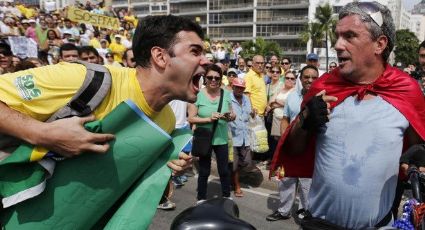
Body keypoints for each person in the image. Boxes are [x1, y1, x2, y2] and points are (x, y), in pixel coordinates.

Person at [0, 14, 208, 207]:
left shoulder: (167, 121)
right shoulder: (82, 79)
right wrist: (42, 134)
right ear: (160, 56)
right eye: (195, 51)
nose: (206, 61)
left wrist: (163, 173)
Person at [270, 2, 425, 228]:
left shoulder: (406, 91)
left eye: (350, 36)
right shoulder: (324, 87)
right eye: (338, 35)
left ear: (380, 44)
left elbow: (416, 152)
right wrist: (305, 119)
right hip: (319, 225)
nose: (337, 45)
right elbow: (294, 149)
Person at [267, 65, 318, 221]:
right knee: (286, 179)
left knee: (306, 182)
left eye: (314, 77)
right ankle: (283, 211)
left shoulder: (320, 98)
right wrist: (285, 139)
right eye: (306, 77)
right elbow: (285, 119)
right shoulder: (292, 97)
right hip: (291, 145)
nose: (310, 80)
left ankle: (305, 212)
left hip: (311, 148)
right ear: (300, 79)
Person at [188, 64, 236, 204]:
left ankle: (226, 195)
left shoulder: (226, 94)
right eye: (210, 77)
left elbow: (232, 113)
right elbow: (191, 118)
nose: (213, 80)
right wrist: (208, 119)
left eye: (217, 77)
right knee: (204, 171)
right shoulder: (198, 94)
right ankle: (201, 198)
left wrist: (230, 116)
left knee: (224, 170)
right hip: (204, 138)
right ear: (205, 78)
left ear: (221, 79)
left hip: (221, 138)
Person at [228, 78, 253, 198]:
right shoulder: (228, 98)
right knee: (234, 164)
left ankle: (232, 177)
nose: (239, 90)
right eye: (237, 87)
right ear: (233, 87)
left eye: (242, 88)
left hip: (245, 136)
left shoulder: (246, 99)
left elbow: (249, 114)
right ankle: (236, 185)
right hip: (232, 136)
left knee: (247, 162)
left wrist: (253, 113)